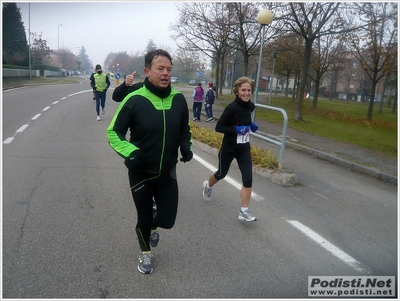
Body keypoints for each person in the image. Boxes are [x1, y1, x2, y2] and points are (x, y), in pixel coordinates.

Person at [107, 49, 193, 274]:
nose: (165, 73)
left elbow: (185, 128)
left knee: (168, 220)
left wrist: (186, 146)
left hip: (167, 172)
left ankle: (154, 225)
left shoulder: (178, 99)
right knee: (143, 217)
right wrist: (130, 152)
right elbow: (113, 133)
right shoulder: (134, 99)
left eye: (169, 69)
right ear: (147, 71)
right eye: (160, 69)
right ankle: (145, 253)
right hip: (140, 172)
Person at [202, 76, 259, 222]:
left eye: (249, 90)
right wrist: (236, 129)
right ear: (237, 91)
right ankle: (208, 186)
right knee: (221, 174)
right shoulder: (232, 107)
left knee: (248, 179)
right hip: (229, 148)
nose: (246, 93)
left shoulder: (250, 106)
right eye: (243, 90)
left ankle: (244, 210)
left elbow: (244, 120)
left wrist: (250, 126)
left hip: (243, 149)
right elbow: (219, 126)